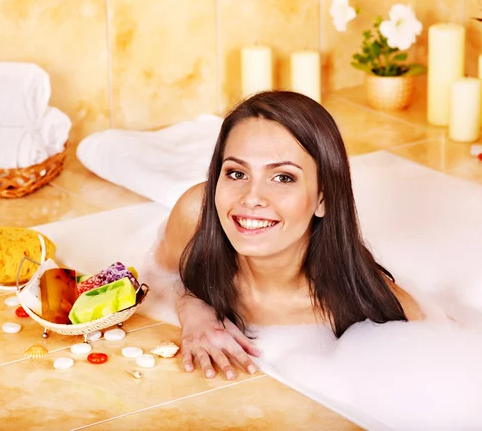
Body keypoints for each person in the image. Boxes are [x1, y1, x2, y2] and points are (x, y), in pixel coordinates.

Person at [154, 90, 424, 382]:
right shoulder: (195, 214)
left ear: (324, 199)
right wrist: (193, 306)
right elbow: (154, 280)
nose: (251, 198)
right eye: (236, 173)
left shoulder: (373, 309)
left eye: (283, 177)